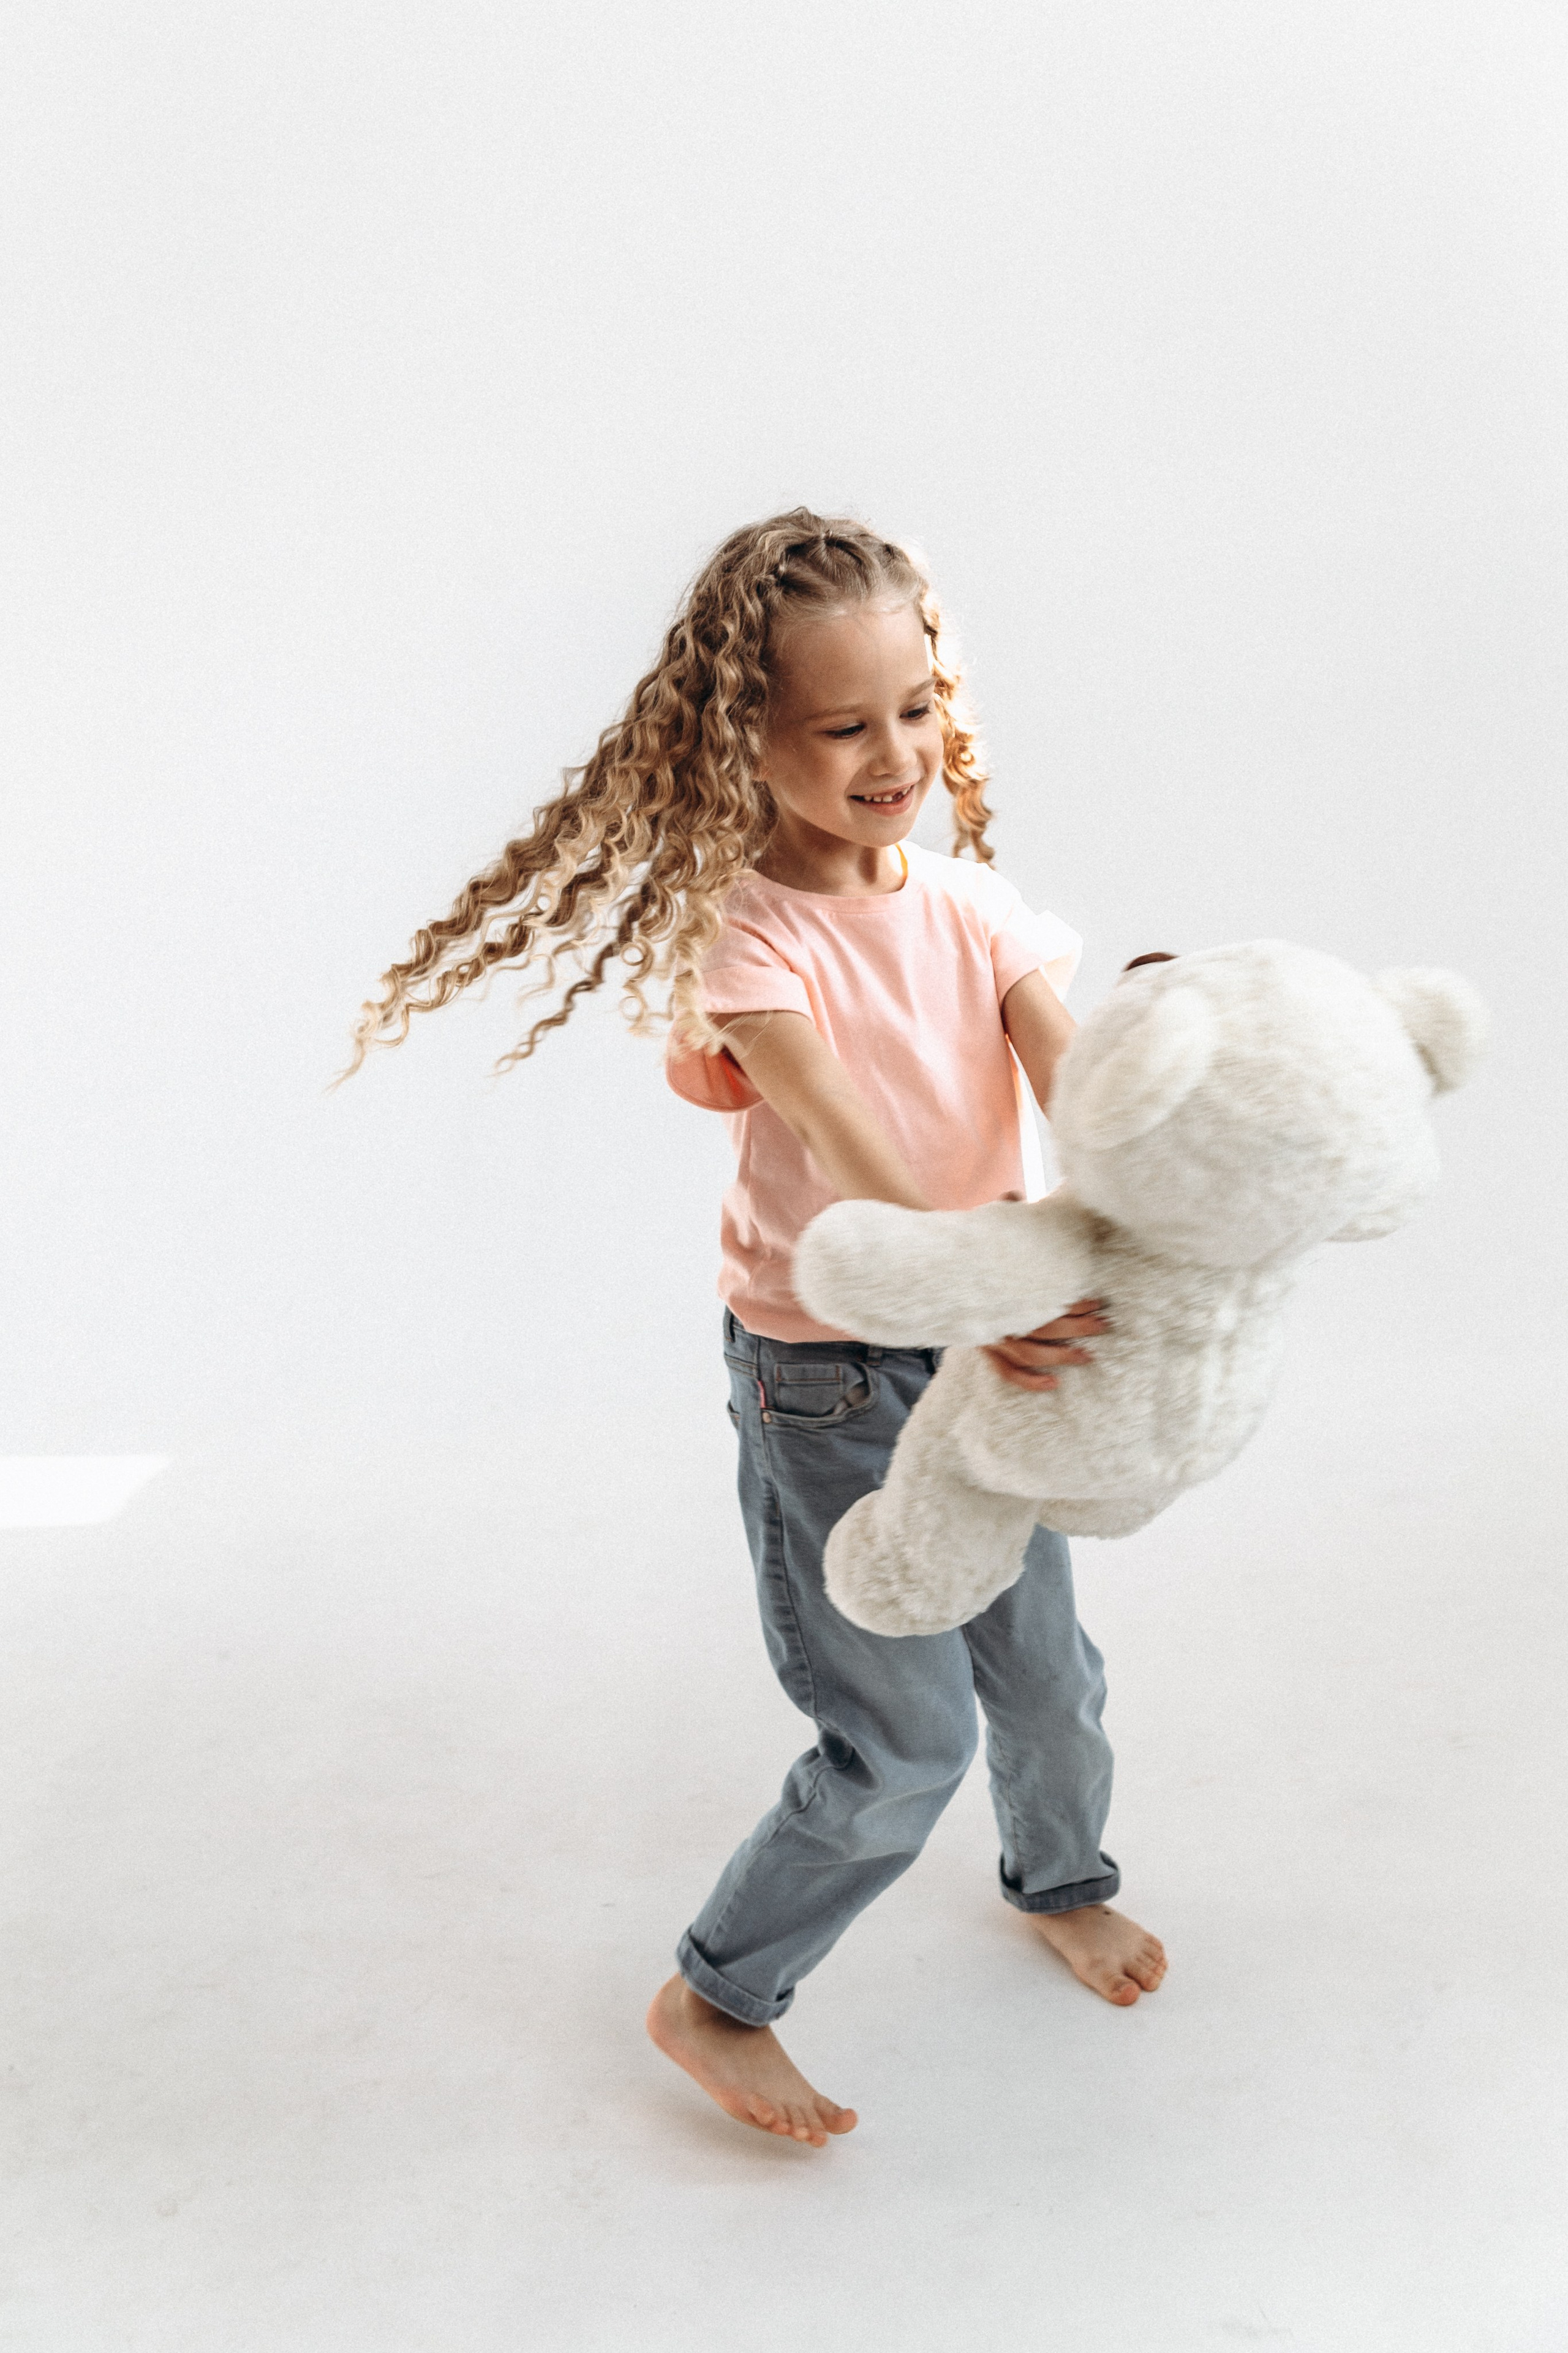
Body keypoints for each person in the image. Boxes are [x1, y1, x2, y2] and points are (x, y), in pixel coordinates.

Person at [344, 510, 1166, 2151]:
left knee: (1051, 1677)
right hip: (838, 1376)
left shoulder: (978, 907)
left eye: (917, 709)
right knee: (900, 1739)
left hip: (984, 1350)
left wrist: (1154, 1158)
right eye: (846, 725)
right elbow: (846, 1129)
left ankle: (1059, 1876)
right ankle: (719, 1991)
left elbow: (1074, 1076)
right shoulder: (749, 933)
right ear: (752, 739)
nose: (897, 755)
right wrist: (975, 1277)